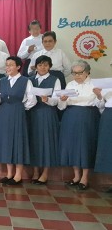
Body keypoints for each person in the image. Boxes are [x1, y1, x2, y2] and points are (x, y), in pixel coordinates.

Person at [0, 56, 36, 185]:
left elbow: (31, 100)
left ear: (18, 67)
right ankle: (9, 173)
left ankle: (18, 175)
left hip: (18, 112)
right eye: (7, 65)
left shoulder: (25, 81)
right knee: (6, 142)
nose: (8, 67)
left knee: (17, 142)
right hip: (3, 112)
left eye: (11, 65)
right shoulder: (1, 81)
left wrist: (20, 109)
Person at [58, 60, 102, 190]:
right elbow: (62, 106)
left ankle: (85, 178)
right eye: (74, 73)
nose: (76, 76)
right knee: (72, 145)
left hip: (88, 116)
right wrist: (63, 100)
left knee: (85, 145)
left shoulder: (95, 84)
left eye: (80, 73)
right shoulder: (70, 84)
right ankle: (76, 176)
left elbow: (101, 105)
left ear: (87, 72)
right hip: (70, 116)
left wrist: (99, 96)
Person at [28, 55, 61, 185]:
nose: (43, 67)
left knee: (47, 142)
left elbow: (57, 99)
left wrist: (48, 100)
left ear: (50, 67)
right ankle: (35, 171)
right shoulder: (30, 80)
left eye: (46, 65)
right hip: (32, 113)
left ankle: (45, 173)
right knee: (34, 141)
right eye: (40, 65)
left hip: (47, 113)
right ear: (36, 66)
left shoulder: (55, 80)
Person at [94, 88, 112, 193]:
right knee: (108, 148)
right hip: (108, 115)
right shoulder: (108, 85)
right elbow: (100, 106)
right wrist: (99, 96)